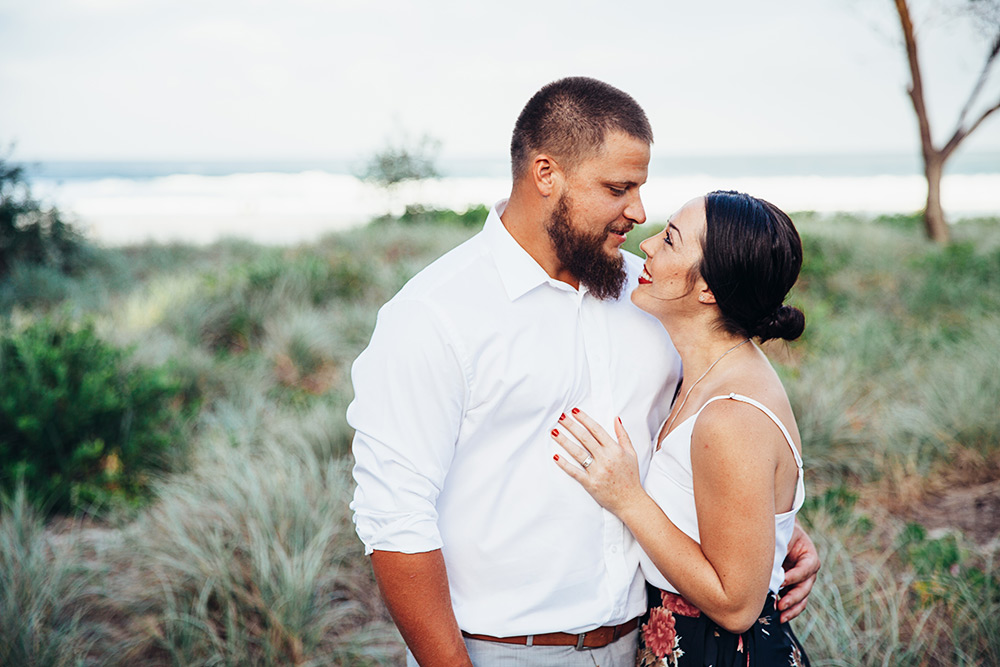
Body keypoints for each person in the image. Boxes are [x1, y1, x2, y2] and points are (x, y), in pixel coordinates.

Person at [348, 77, 820, 667]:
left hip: (647, 644)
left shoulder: (650, 298)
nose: (640, 213)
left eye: (641, 187)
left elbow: (715, 434)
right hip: (503, 652)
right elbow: (395, 517)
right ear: (547, 175)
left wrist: (766, 533)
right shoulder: (434, 315)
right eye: (618, 188)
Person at [552, 191, 812, 665]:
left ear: (709, 289)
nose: (647, 246)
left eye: (670, 240)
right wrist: (784, 533)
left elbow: (736, 605)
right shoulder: (709, 373)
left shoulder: (730, 415)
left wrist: (628, 498)